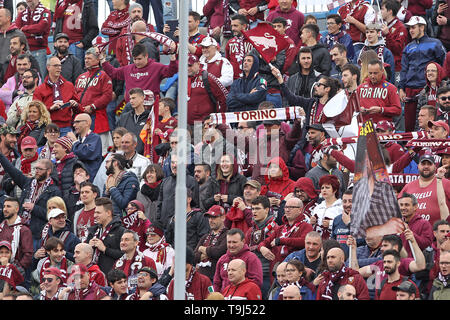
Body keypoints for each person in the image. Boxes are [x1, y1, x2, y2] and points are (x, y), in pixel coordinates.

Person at [0, 155, 61, 248]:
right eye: (36, 168)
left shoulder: (54, 191)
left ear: (48, 171)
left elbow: (53, 215)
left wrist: (34, 208)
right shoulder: (28, 183)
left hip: (36, 235)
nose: (36, 171)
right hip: (20, 229)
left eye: (40, 169)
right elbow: (11, 169)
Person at [399, 16, 446, 132]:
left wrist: (441, 83)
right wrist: (401, 87)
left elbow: (443, 65)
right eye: (409, 28)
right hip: (410, 89)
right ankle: (411, 149)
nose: (411, 30)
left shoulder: (435, 43)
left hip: (426, 89)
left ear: (422, 27)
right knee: (409, 126)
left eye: (413, 27)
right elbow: (404, 69)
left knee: (429, 123)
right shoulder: (408, 47)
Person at [99, 42, 178, 104]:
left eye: (139, 59)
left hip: (150, 108)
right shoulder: (128, 68)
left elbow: (171, 71)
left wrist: (172, 56)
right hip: (131, 108)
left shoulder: (156, 67)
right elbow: (113, 72)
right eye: (135, 59)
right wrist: (102, 59)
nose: (137, 62)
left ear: (146, 56)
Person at [258, 197, 313, 277]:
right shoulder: (280, 228)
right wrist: (262, 248)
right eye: (286, 207)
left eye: (291, 207)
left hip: (295, 271)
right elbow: (265, 242)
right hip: (277, 271)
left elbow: (304, 241)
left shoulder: (306, 226)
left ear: (300, 210)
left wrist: (282, 241)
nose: (287, 210)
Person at [74, 47, 113, 155]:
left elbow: (107, 95)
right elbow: (75, 94)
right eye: (85, 58)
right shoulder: (81, 77)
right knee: (82, 148)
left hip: (97, 118)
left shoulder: (103, 75)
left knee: (101, 150)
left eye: (89, 58)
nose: (86, 60)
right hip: (81, 117)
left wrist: (93, 106)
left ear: (97, 60)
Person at [33, 56, 79, 136]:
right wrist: (50, 108)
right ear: (48, 67)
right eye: (55, 66)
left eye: (60, 65)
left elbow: (79, 106)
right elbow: (34, 110)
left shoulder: (69, 86)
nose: (59, 68)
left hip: (66, 127)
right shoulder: (40, 89)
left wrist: (75, 104)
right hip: (48, 127)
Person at [400, 154, 450, 228]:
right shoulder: (408, 186)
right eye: (423, 164)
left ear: (435, 167)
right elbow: (398, 208)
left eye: (429, 164)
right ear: (418, 166)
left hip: (439, 235)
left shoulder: (445, 183)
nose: (426, 166)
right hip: (413, 234)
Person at [156, 152, 199, 230]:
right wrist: (158, 221)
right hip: (165, 227)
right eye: (172, 162)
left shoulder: (192, 181)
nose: (174, 165)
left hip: (183, 229)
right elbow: (159, 204)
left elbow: (195, 206)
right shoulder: (165, 182)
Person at [244, 196, 277, 298]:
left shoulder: (275, 228)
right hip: (251, 273)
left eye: (257, 208)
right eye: (253, 209)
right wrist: (259, 247)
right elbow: (244, 248)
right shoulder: (251, 230)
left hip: (267, 274)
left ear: (267, 209)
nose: (254, 211)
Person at [213, 228, 263, 292]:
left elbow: (256, 282)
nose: (231, 245)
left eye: (234, 242)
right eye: (229, 242)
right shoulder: (222, 259)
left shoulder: (251, 258)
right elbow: (216, 283)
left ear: (243, 241)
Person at [86, 197, 126, 275]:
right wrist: (88, 247)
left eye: (98, 213)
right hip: (93, 275)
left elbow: (125, 255)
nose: (95, 215)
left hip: (112, 276)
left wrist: (105, 249)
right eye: (95, 212)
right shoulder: (93, 231)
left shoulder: (121, 231)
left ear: (108, 213)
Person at [186, 53, 228, 125]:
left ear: (198, 64)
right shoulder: (183, 79)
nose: (187, 68)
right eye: (186, 66)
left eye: (190, 65)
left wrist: (218, 119)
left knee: (198, 136)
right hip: (186, 123)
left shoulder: (208, 77)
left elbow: (224, 97)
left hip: (202, 123)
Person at [53, 0, 98, 65]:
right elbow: (58, 25)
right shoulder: (62, 3)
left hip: (76, 45)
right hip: (62, 45)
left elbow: (94, 29)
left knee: (76, 72)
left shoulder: (86, 4)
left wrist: (83, 43)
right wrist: (56, 41)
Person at [356, 59, 402, 124]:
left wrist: (381, 110)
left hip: (383, 128)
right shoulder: (360, 88)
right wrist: (359, 109)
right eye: (370, 73)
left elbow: (398, 110)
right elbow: (353, 109)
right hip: (364, 126)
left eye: (375, 73)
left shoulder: (390, 88)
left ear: (382, 71)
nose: (372, 76)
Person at [15, 0, 51, 78]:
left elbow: (41, 27)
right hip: (24, 52)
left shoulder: (45, 12)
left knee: (39, 78)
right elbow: (17, 30)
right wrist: (33, 32)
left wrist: (24, 29)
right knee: (23, 79)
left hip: (39, 51)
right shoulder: (22, 14)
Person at [115, 3, 156, 67]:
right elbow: (118, 52)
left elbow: (155, 49)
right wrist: (123, 68)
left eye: (139, 11)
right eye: (134, 12)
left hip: (147, 69)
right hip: (128, 70)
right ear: (130, 15)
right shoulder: (124, 31)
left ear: (142, 14)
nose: (136, 14)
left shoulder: (150, 28)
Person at [194, 205, 228, 283]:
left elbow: (219, 252)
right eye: (209, 218)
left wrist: (202, 249)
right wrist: (210, 253)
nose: (210, 220)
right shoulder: (205, 236)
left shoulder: (227, 235)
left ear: (223, 218)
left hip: (217, 279)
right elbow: (194, 257)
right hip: (201, 279)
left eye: (214, 217)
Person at [66, 113, 103, 180]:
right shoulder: (78, 139)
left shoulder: (95, 138)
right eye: (74, 122)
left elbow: (85, 153)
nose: (74, 125)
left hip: (90, 179)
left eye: (77, 122)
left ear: (87, 123)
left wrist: (75, 141)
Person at [0, 197, 33, 270]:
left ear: (17, 209)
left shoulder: (24, 230)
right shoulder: (1, 228)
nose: (5, 209)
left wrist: (16, 269)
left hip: (15, 273)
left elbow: (28, 254)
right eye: (4, 206)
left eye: (8, 206)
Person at [103, 153, 139, 217]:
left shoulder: (130, 181)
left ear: (115, 163)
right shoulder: (109, 180)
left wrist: (112, 188)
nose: (105, 165)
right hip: (109, 220)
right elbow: (103, 205)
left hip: (122, 222)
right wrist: (107, 192)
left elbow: (124, 204)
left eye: (107, 162)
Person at [398, 193, 434, 258]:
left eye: (407, 205)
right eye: (401, 205)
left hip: (416, 265)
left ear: (415, 207)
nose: (403, 208)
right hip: (399, 264)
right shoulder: (398, 224)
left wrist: (413, 236)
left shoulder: (424, 224)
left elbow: (428, 245)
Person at [380, 0, 408, 83]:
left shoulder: (400, 27)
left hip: (396, 68)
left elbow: (398, 49)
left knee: (396, 91)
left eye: (382, 9)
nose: (380, 12)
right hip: (383, 66)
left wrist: (387, 34)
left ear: (390, 11)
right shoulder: (383, 26)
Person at [116, 88, 149, 155]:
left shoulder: (149, 118)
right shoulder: (124, 117)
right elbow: (118, 136)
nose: (131, 101)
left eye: (134, 98)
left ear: (142, 98)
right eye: (130, 98)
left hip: (144, 156)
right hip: (125, 155)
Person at [310, 175, 343, 240]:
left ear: (335, 190)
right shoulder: (317, 207)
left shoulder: (341, 207)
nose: (324, 190)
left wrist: (330, 224)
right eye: (322, 188)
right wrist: (311, 222)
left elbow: (344, 225)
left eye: (327, 187)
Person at [225, 14, 252, 80]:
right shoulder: (230, 42)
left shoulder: (254, 41)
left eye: (235, 26)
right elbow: (227, 61)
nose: (233, 29)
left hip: (251, 79)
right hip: (234, 80)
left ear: (244, 26)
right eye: (232, 26)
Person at [0, 8, 24, 75]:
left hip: (12, 72)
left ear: (8, 18)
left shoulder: (18, 34)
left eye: (0, 16)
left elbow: (26, 54)